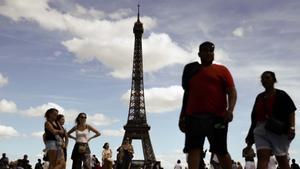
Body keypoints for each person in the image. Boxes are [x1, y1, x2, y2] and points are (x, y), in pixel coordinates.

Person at [178, 41, 237, 169]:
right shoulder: (191, 70)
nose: (209, 53)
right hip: (193, 117)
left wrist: (230, 110)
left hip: (217, 117)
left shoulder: (222, 70)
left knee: (221, 151)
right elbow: (187, 94)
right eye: (205, 51)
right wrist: (182, 115)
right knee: (193, 149)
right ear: (199, 54)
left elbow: (232, 91)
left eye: (211, 51)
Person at [245, 71, 297, 169]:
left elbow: (291, 111)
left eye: (268, 77)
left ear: (274, 80)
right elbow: (254, 118)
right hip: (260, 129)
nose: (265, 80)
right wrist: (250, 137)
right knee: (262, 158)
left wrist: (292, 128)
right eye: (263, 78)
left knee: (282, 159)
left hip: (277, 130)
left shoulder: (281, 95)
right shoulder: (259, 97)